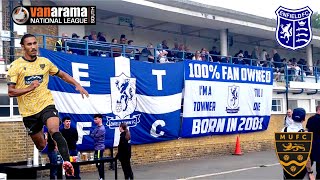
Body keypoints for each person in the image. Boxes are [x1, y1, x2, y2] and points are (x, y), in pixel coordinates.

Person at [7, 33, 89, 176]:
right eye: (29, 44)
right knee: (41, 145)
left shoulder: (45, 62)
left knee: (54, 130)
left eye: (34, 43)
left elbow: (62, 74)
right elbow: (11, 92)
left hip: (46, 104)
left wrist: (77, 84)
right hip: (29, 113)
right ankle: (44, 137)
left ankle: (66, 162)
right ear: (23, 47)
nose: (33, 47)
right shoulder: (15, 66)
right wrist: (29, 88)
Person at [281, 108, 314, 180]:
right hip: (301, 168)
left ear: (292, 116)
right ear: (304, 119)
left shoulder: (283, 130)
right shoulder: (305, 134)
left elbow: (280, 150)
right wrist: (310, 172)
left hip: (287, 167)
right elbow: (306, 156)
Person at [90, 114, 106, 180]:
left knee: (99, 164)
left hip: (99, 148)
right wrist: (94, 135)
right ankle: (101, 177)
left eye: (96, 119)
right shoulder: (97, 127)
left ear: (100, 119)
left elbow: (95, 137)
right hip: (96, 148)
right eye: (94, 119)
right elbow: (92, 134)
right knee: (97, 163)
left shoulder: (102, 129)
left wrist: (94, 135)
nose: (94, 120)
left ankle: (102, 178)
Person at [306, 105, 320, 179]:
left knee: (309, 161)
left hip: (310, 143)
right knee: (319, 163)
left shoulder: (310, 119)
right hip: (319, 143)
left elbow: (308, 129)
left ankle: (307, 175)